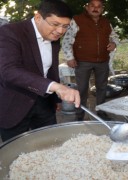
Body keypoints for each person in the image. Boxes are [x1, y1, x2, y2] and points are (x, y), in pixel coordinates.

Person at [0, 0, 80, 142]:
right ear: (38, 18)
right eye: (55, 24)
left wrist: (55, 99)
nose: (60, 31)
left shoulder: (54, 37)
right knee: (16, 152)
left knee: (50, 144)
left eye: (65, 26)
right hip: (15, 103)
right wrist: (55, 87)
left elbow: (50, 69)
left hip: (44, 103)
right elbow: (8, 71)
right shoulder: (10, 32)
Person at [62, 0, 118, 120]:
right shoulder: (76, 20)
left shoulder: (106, 22)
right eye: (92, 6)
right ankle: (80, 115)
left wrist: (114, 43)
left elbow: (114, 37)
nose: (95, 8)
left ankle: (101, 112)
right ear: (87, 7)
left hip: (103, 61)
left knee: (102, 88)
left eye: (99, 6)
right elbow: (67, 39)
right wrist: (69, 57)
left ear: (102, 9)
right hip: (83, 61)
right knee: (82, 90)